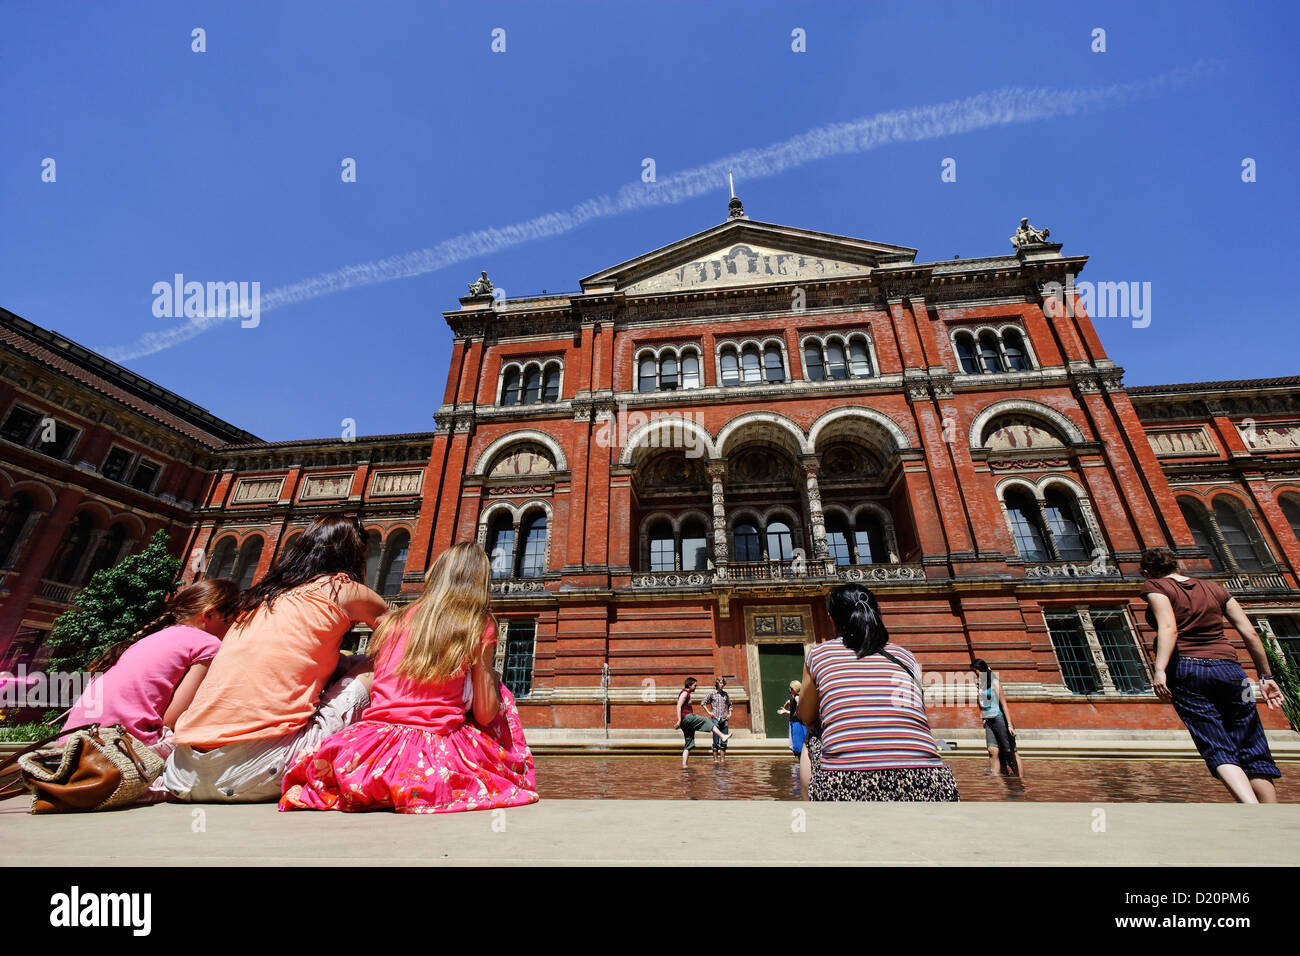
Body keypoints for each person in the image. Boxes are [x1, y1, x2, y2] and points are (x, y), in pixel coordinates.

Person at [279, 542, 537, 813]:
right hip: (430, 757)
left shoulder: (393, 621)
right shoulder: (477, 624)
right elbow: (485, 715)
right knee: (499, 693)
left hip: (364, 753)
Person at [163, 516, 390, 802]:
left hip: (182, 772)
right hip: (256, 771)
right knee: (377, 662)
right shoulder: (342, 589)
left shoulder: (257, 600)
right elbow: (409, 640)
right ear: (354, 555)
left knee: (348, 663)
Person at [62, 579, 241, 786]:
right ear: (209, 615)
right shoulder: (208, 644)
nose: (232, 631)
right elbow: (173, 720)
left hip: (72, 751)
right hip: (124, 755)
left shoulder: (148, 639)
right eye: (231, 622)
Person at [1139, 546, 1283, 803]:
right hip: (1234, 673)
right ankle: (1274, 815)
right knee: (1252, 742)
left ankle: (1251, 809)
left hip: (1188, 670)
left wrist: (1159, 669)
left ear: (1148, 573)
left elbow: (1169, 628)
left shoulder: (1157, 587)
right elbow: (1250, 633)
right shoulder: (1217, 589)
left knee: (1215, 744)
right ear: (1179, 566)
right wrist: (1267, 677)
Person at [797, 583, 959, 801]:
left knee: (812, 733)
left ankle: (814, 815)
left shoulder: (819, 653)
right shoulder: (906, 657)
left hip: (847, 786)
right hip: (933, 786)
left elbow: (805, 716)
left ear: (832, 619)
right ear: (875, 614)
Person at [972, 659, 1023, 777]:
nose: (975, 676)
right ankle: (996, 781)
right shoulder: (980, 685)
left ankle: (1020, 780)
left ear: (983, 671)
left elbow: (1004, 705)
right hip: (989, 721)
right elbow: (982, 704)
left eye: (977, 672)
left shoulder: (995, 683)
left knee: (1011, 751)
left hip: (1000, 718)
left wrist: (1009, 725)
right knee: (992, 750)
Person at [675, 677, 730, 768]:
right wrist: (679, 720)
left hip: (685, 721)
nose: (696, 687)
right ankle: (722, 736)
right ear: (689, 685)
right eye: (694, 685)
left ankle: (684, 765)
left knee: (689, 742)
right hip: (687, 717)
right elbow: (678, 706)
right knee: (705, 720)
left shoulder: (686, 693)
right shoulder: (685, 693)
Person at [701, 676, 733, 763]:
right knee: (715, 741)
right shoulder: (712, 693)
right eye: (720, 683)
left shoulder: (725, 694)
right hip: (715, 719)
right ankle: (715, 760)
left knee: (724, 741)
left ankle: (722, 760)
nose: (722, 685)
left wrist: (730, 713)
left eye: (723, 683)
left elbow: (730, 704)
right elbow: (703, 702)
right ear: (717, 684)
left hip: (724, 719)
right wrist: (709, 712)